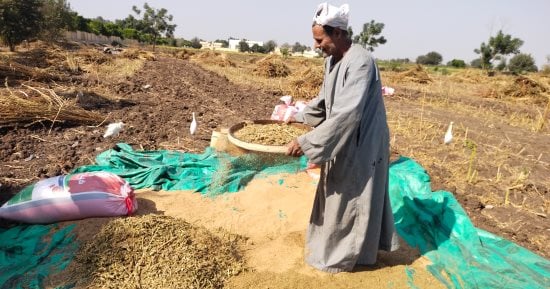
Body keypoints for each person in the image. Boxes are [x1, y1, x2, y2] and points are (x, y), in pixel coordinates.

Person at [285, 2, 399, 273]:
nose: (316, 46)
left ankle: (343, 258)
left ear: (337, 33)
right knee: (337, 191)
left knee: (352, 197)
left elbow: (347, 113)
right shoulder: (332, 61)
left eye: (319, 39)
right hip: (342, 137)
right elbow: (326, 102)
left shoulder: (360, 61)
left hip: (362, 141)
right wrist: (298, 116)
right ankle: (336, 247)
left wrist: (306, 143)